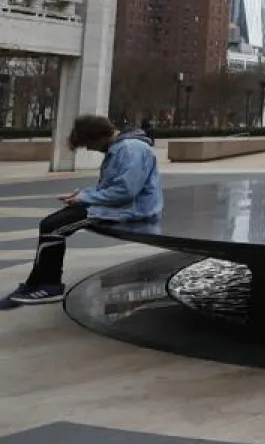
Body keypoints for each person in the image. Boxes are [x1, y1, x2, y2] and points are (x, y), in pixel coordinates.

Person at [4, 115, 162, 307]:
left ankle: (50, 285)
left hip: (128, 210)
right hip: (116, 205)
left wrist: (85, 198)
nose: (89, 148)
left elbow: (125, 191)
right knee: (49, 224)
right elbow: (112, 187)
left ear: (98, 136)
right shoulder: (121, 148)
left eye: (88, 144)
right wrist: (82, 195)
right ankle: (36, 282)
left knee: (54, 228)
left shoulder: (131, 149)